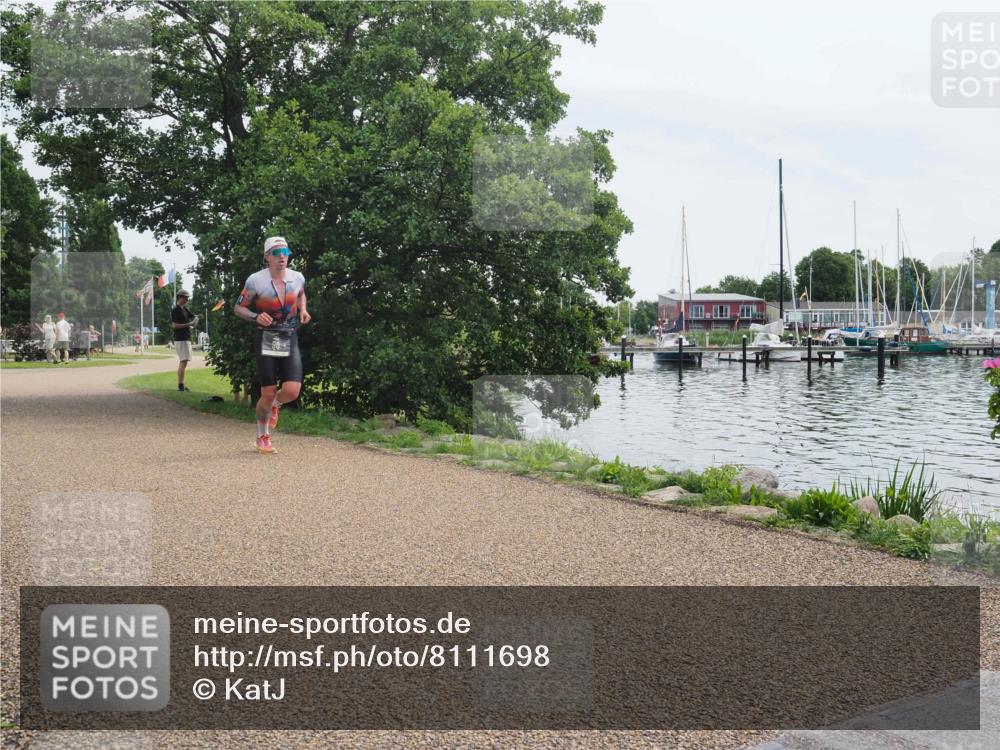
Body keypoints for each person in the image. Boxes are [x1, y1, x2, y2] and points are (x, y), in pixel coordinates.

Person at [233, 236, 311, 454]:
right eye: (277, 253)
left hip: (289, 335)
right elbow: (238, 308)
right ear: (267, 257)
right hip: (267, 337)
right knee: (266, 392)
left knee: (292, 390)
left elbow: (301, 294)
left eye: (285, 252)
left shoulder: (297, 277)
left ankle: (276, 404)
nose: (282, 257)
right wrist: (255, 317)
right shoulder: (255, 280)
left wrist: (303, 309)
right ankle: (262, 435)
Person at [171, 290, 199, 391]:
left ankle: (181, 385)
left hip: (185, 338)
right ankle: (180, 386)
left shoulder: (184, 309)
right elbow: (174, 325)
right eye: (186, 298)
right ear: (180, 297)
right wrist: (189, 324)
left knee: (184, 361)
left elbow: (193, 316)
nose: (187, 299)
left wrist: (198, 317)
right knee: (183, 362)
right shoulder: (176, 310)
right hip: (181, 339)